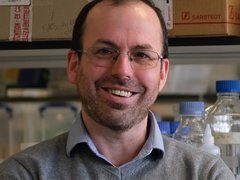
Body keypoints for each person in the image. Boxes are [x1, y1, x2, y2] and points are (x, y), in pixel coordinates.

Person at [0, 0, 235, 179]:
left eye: (142, 55)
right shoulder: (25, 173)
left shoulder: (205, 173)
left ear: (163, 73)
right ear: (73, 65)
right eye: (104, 51)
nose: (122, 71)